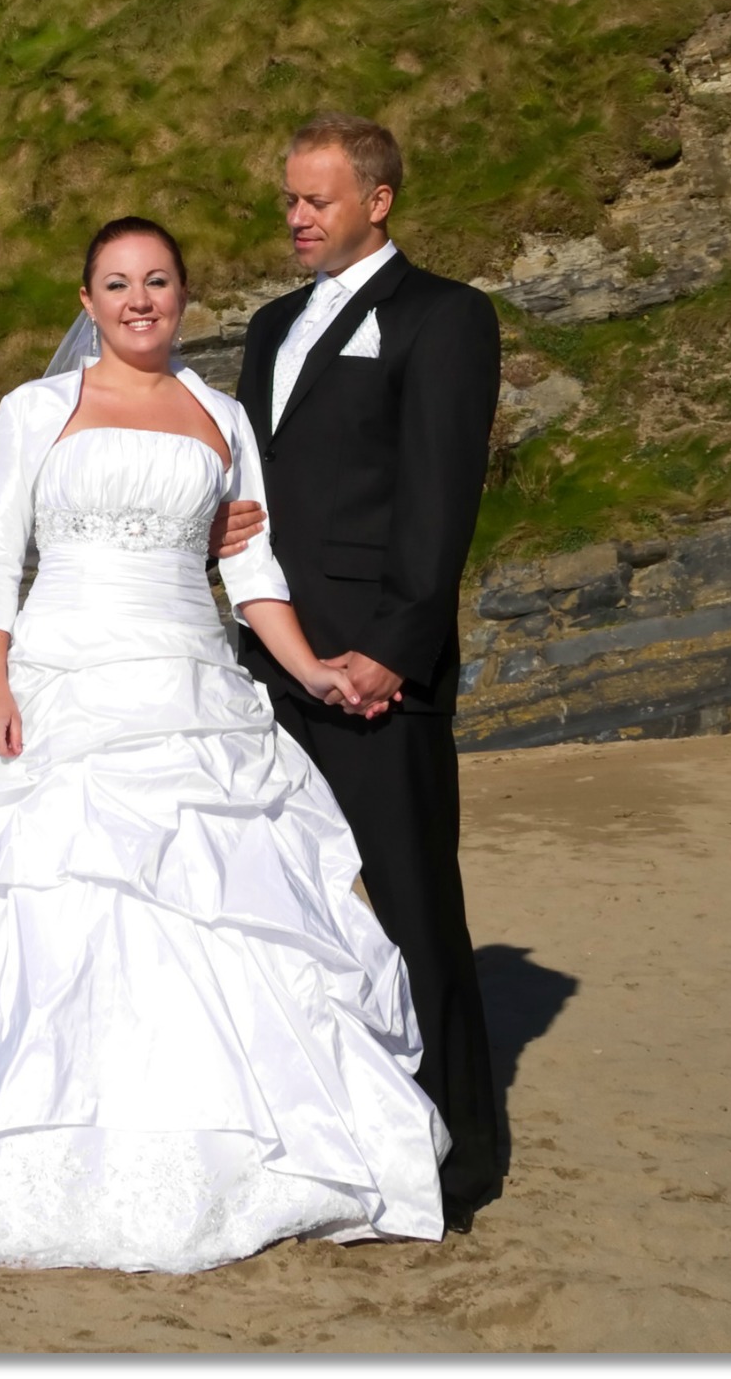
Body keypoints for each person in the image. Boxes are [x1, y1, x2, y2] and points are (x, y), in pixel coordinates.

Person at [0, 217, 449, 1271]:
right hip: (61, 684)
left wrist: (309, 668)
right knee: (55, 903)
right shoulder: (34, 408)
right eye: (115, 283)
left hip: (188, 680)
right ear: (86, 298)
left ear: (183, 294)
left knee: (212, 908)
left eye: (156, 280)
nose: (138, 298)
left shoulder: (222, 415)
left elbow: (252, 570)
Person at [223, 114, 503, 1232]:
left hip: (378, 664)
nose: (294, 216)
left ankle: (460, 1149)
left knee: (410, 899)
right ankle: (324, 1124)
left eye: (315, 199)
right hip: (271, 659)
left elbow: (441, 501)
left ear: (376, 199)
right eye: (288, 198)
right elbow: (256, 471)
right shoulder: (269, 324)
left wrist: (395, 645)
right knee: (288, 907)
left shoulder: (443, 316)